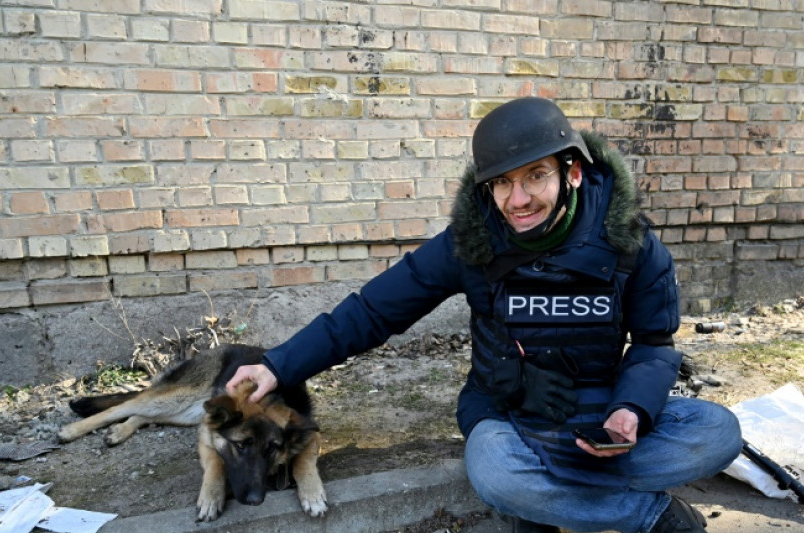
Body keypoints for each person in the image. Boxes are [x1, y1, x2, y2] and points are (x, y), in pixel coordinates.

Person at [227, 97, 743, 533]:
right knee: (496, 475)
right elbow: (371, 311)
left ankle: (547, 494)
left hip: (603, 416)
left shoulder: (633, 244)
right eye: (501, 183)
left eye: (536, 177)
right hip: (509, 420)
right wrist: (277, 365)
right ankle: (648, 516)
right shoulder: (469, 243)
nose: (517, 200)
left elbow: (655, 345)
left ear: (574, 172)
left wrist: (631, 409)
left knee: (718, 431)